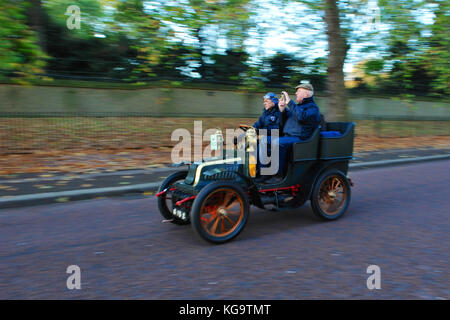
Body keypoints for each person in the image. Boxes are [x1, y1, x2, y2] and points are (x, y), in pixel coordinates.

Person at [259, 83, 321, 183]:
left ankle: (278, 176)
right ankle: (264, 173)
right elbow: (283, 122)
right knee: (264, 140)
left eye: (298, 91)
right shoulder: (297, 107)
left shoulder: (313, 108)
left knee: (277, 142)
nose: (296, 93)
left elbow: (302, 117)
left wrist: (289, 102)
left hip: (301, 138)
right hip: (288, 137)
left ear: (306, 94)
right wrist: (282, 110)